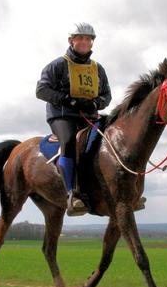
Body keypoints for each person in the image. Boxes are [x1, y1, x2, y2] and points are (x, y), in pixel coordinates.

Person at [36, 23, 112, 216]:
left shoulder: (98, 69)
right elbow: (41, 90)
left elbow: (107, 95)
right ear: (71, 41)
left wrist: (96, 103)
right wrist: (68, 100)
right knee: (69, 141)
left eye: (88, 39)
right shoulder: (57, 65)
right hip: (62, 115)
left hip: (89, 116)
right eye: (80, 38)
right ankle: (71, 194)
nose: (85, 42)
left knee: (108, 141)